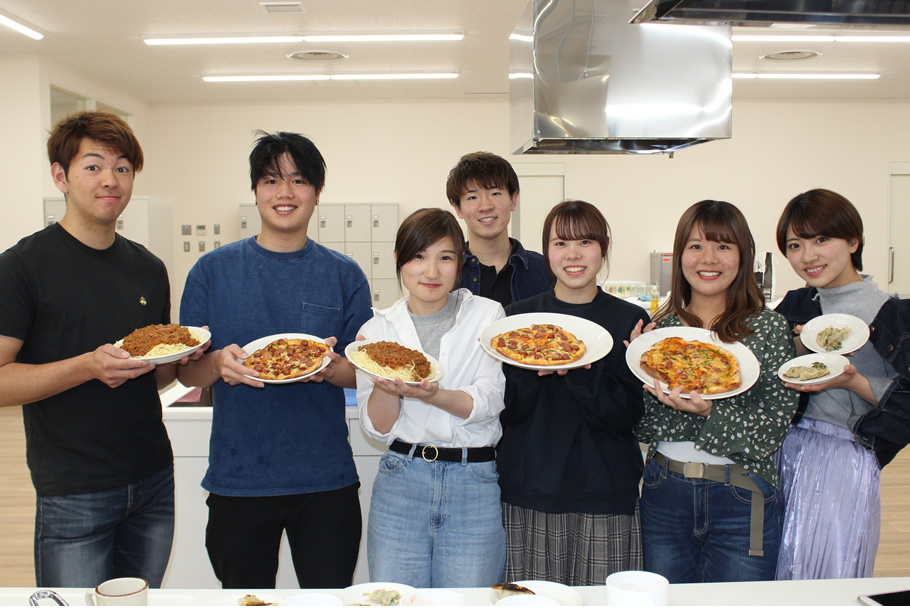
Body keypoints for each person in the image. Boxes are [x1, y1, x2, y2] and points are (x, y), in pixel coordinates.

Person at [0, 110, 196, 587]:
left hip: (152, 478)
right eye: (93, 166)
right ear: (60, 176)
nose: (110, 180)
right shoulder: (22, 266)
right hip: (73, 490)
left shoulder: (148, 268)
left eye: (123, 167)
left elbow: (157, 378)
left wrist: (183, 359)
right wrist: (87, 367)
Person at [177, 131, 372, 588]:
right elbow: (187, 369)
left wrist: (325, 366)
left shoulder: (344, 274)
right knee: (245, 601)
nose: (284, 193)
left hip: (325, 479)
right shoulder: (212, 271)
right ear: (255, 190)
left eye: (299, 180)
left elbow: (358, 371)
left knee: (329, 601)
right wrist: (219, 366)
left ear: (317, 192)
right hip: (239, 477)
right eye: (270, 180)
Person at [634, 200, 798, 584]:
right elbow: (643, 429)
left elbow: (771, 430)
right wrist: (636, 365)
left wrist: (710, 412)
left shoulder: (769, 329)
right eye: (695, 246)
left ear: (744, 255)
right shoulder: (660, 333)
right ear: (680, 256)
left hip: (742, 493)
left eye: (723, 246)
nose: (708, 258)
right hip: (664, 491)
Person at [496, 200, 648, 586]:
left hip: (605, 491)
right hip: (529, 489)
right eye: (561, 243)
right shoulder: (518, 321)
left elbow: (628, 416)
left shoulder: (629, 320)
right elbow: (505, 413)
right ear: (546, 250)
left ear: (604, 246)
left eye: (585, 242)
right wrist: (533, 371)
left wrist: (581, 372)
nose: (574, 254)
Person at [355, 208, 507, 588]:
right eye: (419, 256)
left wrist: (433, 395)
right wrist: (385, 387)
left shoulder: (487, 315)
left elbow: (489, 401)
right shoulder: (376, 330)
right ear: (399, 261)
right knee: (396, 601)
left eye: (445, 257)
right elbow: (377, 427)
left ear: (460, 263)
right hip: (401, 480)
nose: (431, 272)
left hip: (473, 480)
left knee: (469, 605)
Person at [773, 188, 910, 580]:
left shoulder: (892, 313)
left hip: (841, 457)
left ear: (853, 241)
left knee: (822, 573)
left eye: (821, 240)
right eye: (795, 244)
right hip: (782, 450)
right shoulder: (796, 304)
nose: (808, 256)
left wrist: (852, 381)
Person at [445, 151, 550, 306]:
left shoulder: (545, 270)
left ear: (513, 200)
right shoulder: (447, 273)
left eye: (495, 193)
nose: (486, 206)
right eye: (472, 197)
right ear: (458, 209)